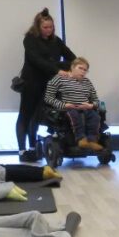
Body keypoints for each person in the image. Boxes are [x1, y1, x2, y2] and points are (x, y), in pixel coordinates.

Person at [18, 8, 75, 162]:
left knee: (37, 117)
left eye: (51, 27)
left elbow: (72, 58)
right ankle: (22, 151)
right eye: (45, 27)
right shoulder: (30, 39)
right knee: (25, 115)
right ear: (38, 26)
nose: (48, 30)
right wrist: (57, 69)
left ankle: (33, 148)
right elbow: (36, 60)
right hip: (31, 82)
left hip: (49, 84)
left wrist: (65, 68)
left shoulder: (56, 41)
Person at [45, 57, 103, 151]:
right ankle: (81, 140)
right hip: (68, 108)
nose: (83, 71)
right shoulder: (60, 78)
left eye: (85, 70)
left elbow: (96, 100)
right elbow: (48, 98)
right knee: (75, 115)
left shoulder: (87, 82)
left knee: (95, 116)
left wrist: (91, 105)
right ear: (72, 67)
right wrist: (64, 105)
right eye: (80, 68)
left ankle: (92, 141)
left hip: (86, 108)